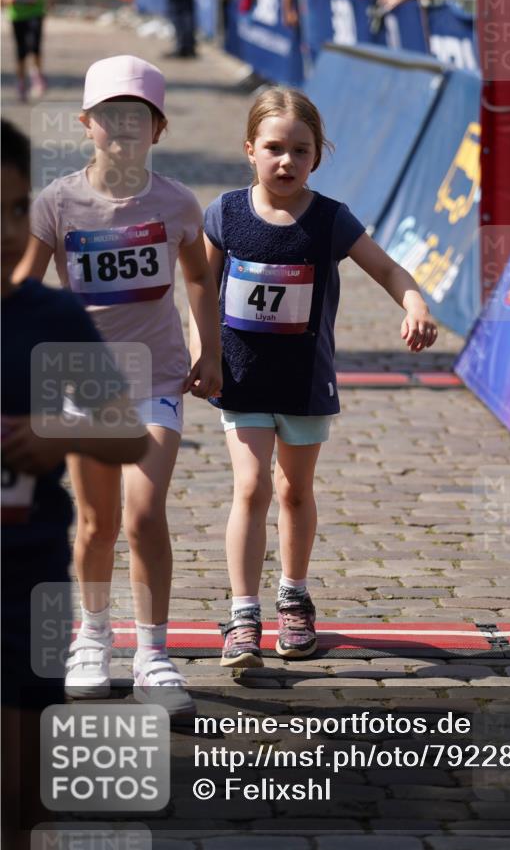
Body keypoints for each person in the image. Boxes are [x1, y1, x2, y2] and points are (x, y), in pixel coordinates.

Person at [197, 87, 438, 667]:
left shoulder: (330, 220)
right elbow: (201, 290)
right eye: (274, 148)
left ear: (317, 157)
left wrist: (415, 304)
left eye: (299, 151)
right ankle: (242, 613)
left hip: (305, 381)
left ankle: (294, 595)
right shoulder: (224, 214)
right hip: (242, 376)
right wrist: (202, 353)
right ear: (249, 150)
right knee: (251, 487)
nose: (286, 161)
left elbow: (386, 267)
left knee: (294, 491)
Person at [13, 55, 222, 714]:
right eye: (111, 118)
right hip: (83, 383)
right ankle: (93, 638)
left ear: (157, 129)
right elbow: (22, 287)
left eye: (138, 119)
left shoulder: (176, 202)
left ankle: (153, 654)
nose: (123, 130)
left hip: (155, 374)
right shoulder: (57, 203)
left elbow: (197, 273)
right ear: (87, 123)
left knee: (143, 512)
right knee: (97, 521)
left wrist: (207, 347)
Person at [2, 119, 149, 849]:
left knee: (25, 795)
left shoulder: (49, 318)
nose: (4, 231)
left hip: (28, 580)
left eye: (15, 209)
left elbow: (127, 435)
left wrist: (54, 434)